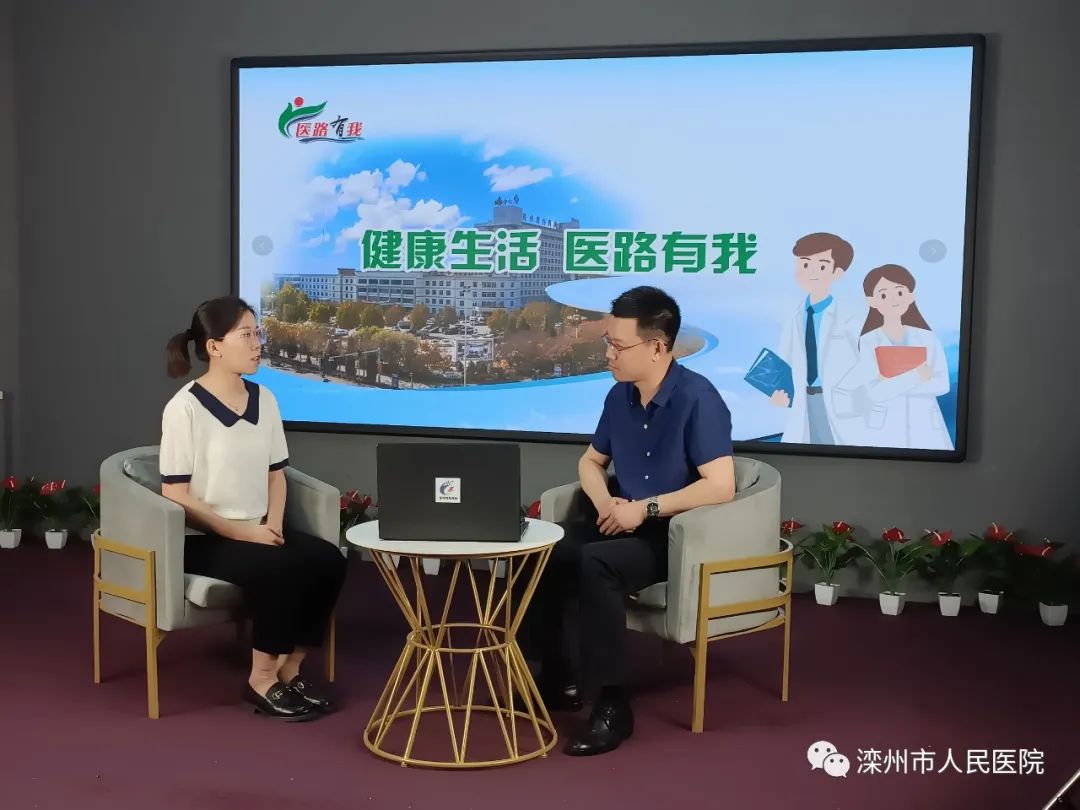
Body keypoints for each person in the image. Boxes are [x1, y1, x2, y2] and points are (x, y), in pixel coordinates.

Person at [520, 286, 736, 756]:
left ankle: (612, 705)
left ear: (657, 347)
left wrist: (645, 508)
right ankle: (556, 676)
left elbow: (721, 485)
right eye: (608, 343)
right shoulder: (619, 396)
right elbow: (590, 462)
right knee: (542, 548)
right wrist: (605, 504)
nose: (609, 355)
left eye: (618, 345)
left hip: (675, 535)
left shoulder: (698, 398)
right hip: (621, 519)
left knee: (596, 563)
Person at [160, 296, 347, 721]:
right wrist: (245, 534)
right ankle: (260, 680)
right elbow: (175, 495)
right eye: (246, 335)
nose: (257, 343)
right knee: (278, 569)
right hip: (204, 538)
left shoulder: (265, 399)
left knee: (328, 560)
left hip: (258, 529)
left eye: (257, 333)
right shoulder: (184, 408)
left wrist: (273, 525)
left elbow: (276, 475)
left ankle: (289, 668)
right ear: (214, 347)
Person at [837, 264, 953, 450]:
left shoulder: (928, 337)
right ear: (871, 301)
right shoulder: (869, 341)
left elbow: (942, 384)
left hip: (926, 424)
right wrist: (916, 377)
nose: (893, 300)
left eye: (899, 292)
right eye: (883, 295)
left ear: (910, 296)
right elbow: (874, 392)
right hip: (887, 426)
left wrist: (890, 382)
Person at [770, 232, 864, 444]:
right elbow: (784, 359)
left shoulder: (851, 319)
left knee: (840, 451)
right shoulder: (793, 316)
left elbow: (867, 363)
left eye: (821, 266)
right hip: (802, 399)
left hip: (841, 402)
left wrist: (849, 390)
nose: (811, 272)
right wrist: (777, 392)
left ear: (837, 273)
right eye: (804, 265)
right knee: (805, 450)